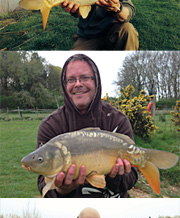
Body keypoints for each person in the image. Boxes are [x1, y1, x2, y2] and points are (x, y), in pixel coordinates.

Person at [37, 53, 138, 198]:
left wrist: (114, 175)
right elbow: (43, 184)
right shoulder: (50, 125)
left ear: (96, 81)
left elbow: (131, 180)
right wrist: (62, 189)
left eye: (84, 77)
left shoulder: (118, 120)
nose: (78, 84)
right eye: (71, 80)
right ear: (65, 86)